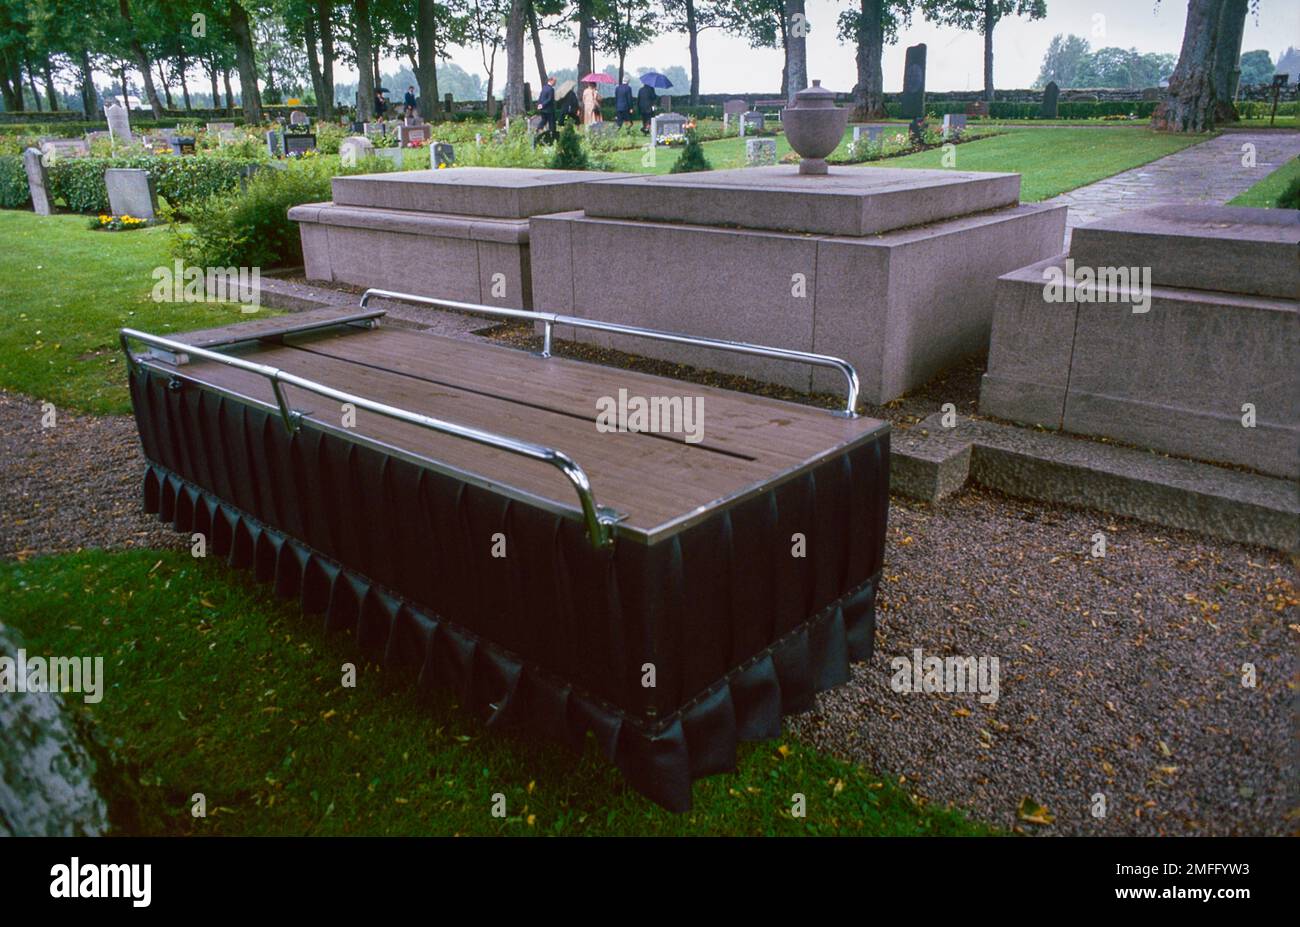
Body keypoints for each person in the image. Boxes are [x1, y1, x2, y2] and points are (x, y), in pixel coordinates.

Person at [537, 75, 557, 139]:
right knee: (552, 122)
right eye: (555, 81)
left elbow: (540, 97)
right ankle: (552, 135)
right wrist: (543, 105)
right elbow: (550, 99)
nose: (555, 83)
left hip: (543, 109)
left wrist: (539, 104)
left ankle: (539, 129)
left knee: (544, 120)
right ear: (551, 80)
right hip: (549, 110)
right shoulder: (551, 89)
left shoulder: (544, 88)